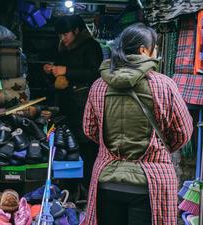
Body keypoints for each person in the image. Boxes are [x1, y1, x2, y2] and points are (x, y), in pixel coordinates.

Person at [83, 23, 193, 225]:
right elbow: (183, 133)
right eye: (156, 48)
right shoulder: (163, 85)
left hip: (107, 181)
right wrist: (158, 151)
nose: (157, 52)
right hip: (151, 184)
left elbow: (89, 130)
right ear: (144, 50)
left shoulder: (98, 86)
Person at [43, 15, 103, 191]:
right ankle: (69, 188)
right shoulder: (63, 48)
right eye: (60, 35)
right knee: (67, 147)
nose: (63, 39)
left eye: (66, 34)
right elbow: (60, 72)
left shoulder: (91, 46)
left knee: (85, 147)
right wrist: (50, 70)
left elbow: (95, 73)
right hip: (67, 106)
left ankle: (87, 188)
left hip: (84, 106)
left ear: (76, 31)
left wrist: (67, 71)